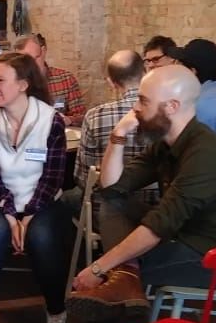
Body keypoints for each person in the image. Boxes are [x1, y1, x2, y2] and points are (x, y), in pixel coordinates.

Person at [24, 65, 216, 323]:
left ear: (172, 107)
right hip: (188, 237)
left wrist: (99, 266)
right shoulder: (169, 144)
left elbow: (156, 228)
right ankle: (125, 279)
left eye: (143, 101)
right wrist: (118, 135)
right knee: (113, 208)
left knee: (112, 278)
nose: (135, 108)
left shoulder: (206, 155)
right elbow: (112, 187)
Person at [0, 51, 69, 323]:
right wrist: (11, 216)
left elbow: (53, 178)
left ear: (23, 85)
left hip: (43, 201)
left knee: (42, 237)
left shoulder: (51, 121)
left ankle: (56, 314)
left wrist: (30, 215)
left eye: (0, 80)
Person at [66, 50, 159, 225]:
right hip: (157, 211)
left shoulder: (95, 116)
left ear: (111, 83)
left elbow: (82, 178)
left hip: (104, 212)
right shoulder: (162, 113)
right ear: (145, 72)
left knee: (66, 199)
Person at [14, 33, 86, 126]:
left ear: (43, 51)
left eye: (35, 58)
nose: (31, 65)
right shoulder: (14, 83)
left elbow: (82, 117)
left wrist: (68, 120)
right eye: (25, 62)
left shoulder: (66, 79)